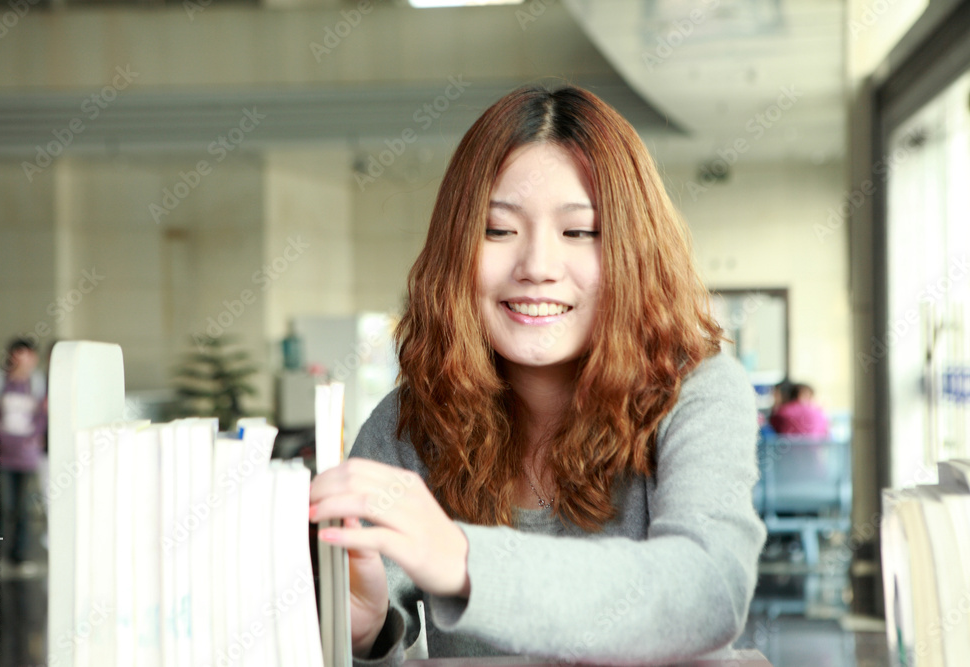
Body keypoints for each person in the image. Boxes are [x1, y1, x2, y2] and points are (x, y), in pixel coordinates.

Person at [309, 85, 766, 665]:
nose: (537, 268)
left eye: (580, 232)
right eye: (498, 230)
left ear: (632, 251)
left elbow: (708, 593)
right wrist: (364, 635)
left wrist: (460, 558)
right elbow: (373, 635)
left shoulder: (696, 391)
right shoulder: (409, 421)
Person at [0, 337, 48, 566]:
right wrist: (4, 440)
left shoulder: (37, 385)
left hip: (26, 455)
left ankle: (19, 550)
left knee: (22, 505)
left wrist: (28, 440)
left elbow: (41, 418)